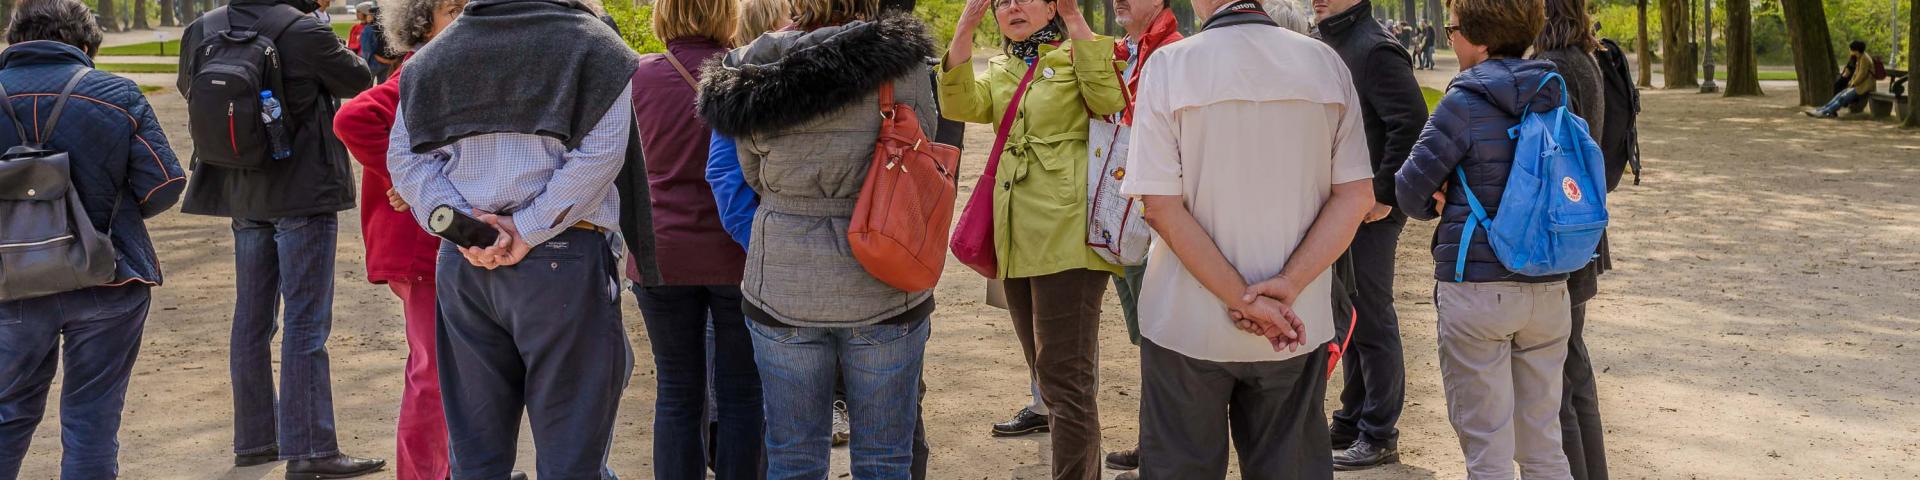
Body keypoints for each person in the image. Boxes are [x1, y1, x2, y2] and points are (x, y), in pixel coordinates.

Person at [1121, 0, 1374, 478]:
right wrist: (1286, 286)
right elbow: (1356, 196)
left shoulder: (1171, 66)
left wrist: (1242, 297)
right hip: (1295, 319)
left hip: (1185, 318)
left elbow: (1159, 207)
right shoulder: (1324, 63)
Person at [386, 0, 637, 476]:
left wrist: (472, 229)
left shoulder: (435, 55)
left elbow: (407, 160)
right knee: (571, 455)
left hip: (469, 264)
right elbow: (602, 156)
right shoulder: (595, 46)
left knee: (477, 456)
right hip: (560, 258)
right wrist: (522, 229)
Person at [696, 3, 939, 477]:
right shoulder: (901, 63)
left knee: (793, 456)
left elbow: (750, 171)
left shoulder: (748, 65)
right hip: (885, 270)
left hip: (782, 278)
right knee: (886, 456)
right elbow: (922, 140)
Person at [175, 0, 380, 473]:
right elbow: (359, 79)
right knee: (306, 322)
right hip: (302, 188)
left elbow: (192, 88)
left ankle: (255, 440)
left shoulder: (203, 28)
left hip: (240, 185)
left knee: (251, 320)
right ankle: (309, 450)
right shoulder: (303, 31)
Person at [0, 0, 188, 477]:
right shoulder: (115, 93)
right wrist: (109, 214)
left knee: (7, 414)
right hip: (108, 274)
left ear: (14, 39)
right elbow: (165, 183)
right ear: (86, 45)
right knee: (92, 419)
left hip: (8, 283)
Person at [940, 0, 1125, 475]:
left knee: (1066, 378)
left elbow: (1109, 100)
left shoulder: (1077, 54)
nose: (1012, 7)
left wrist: (1078, 20)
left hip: (1068, 232)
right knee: (1046, 375)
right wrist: (963, 29)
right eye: (1002, 2)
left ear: (1052, 8)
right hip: (1014, 230)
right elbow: (959, 104)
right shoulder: (1002, 66)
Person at [1396, 0, 1576, 477]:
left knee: (1488, 451)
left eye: (1452, 30)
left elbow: (1409, 191)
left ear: (1480, 40)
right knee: (1544, 447)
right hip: (1549, 282)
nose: (1448, 39)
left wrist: (1440, 195)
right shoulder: (1553, 94)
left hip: (1476, 282)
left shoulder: (1463, 103)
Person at [330, 0, 510, 477]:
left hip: (431, 242)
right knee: (433, 375)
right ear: (423, 20)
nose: (466, 17)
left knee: (447, 371)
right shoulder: (421, 69)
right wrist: (404, 180)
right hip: (419, 247)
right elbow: (353, 119)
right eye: (453, 10)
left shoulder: (442, 65)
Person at [617, 0, 765, 478]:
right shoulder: (748, 74)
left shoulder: (636, 77)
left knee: (678, 391)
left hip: (661, 252)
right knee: (743, 392)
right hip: (737, 251)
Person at [1309, 0, 1430, 470]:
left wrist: (1383, 194)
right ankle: (1352, 416)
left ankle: (1380, 432)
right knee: (1351, 315)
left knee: (1372, 317)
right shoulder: (1329, 41)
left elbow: (1415, 126)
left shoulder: (1376, 49)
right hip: (1341, 206)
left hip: (1373, 209)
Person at [1085, 0, 1183, 473]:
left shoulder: (1176, 53)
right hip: (1127, 223)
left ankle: (1163, 450)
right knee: (1148, 339)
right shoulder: (1131, 52)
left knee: (1162, 340)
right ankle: (1154, 444)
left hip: (1157, 225)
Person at [1531, 2, 1611, 479]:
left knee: (1558, 379)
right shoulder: (1584, 59)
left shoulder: (1551, 67)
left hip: (1559, 235)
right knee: (1574, 370)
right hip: (1582, 230)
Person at [1810, 41, 1876, 118]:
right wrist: (1852, 82)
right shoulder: (1861, 57)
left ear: (1856, 50)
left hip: (1864, 87)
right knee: (1839, 95)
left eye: (1851, 49)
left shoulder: (1864, 59)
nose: (1850, 51)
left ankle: (1825, 112)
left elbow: (1861, 74)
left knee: (1842, 98)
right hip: (1858, 86)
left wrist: (1853, 83)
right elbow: (1856, 73)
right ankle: (1822, 109)